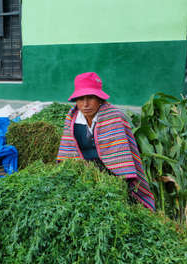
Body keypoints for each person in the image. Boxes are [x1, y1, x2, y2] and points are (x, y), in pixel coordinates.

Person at [57, 72, 155, 211]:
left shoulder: (115, 117)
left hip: (113, 174)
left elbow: (121, 156)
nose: (85, 104)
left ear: (99, 99)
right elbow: (68, 152)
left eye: (90, 98)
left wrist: (115, 180)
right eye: (80, 98)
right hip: (85, 172)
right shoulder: (72, 119)